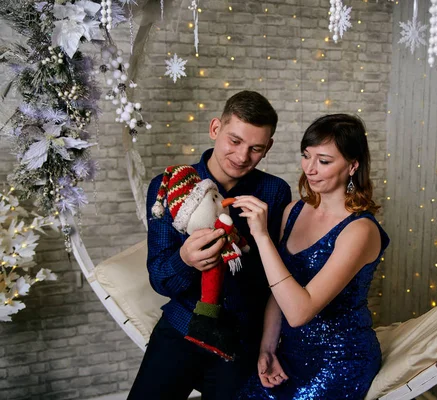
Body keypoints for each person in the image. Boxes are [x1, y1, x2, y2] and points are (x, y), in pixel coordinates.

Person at [128, 91, 292, 400]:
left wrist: (261, 237)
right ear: (215, 129)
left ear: (267, 148)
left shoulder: (274, 192)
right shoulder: (169, 184)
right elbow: (160, 279)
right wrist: (185, 260)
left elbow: (275, 283)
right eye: (234, 141)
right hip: (180, 327)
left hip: (241, 340)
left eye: (255, 148)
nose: (242, 156)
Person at [234, 114, 389, 399]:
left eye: (324, 161)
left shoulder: (360, 230)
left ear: (352, 166)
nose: (310, 169)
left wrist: (262, 237)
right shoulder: (293, 211)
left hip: (339, 361)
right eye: (306, 156)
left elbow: (299, 313)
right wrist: (267, 349)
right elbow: (279, 290)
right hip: (289, 353)